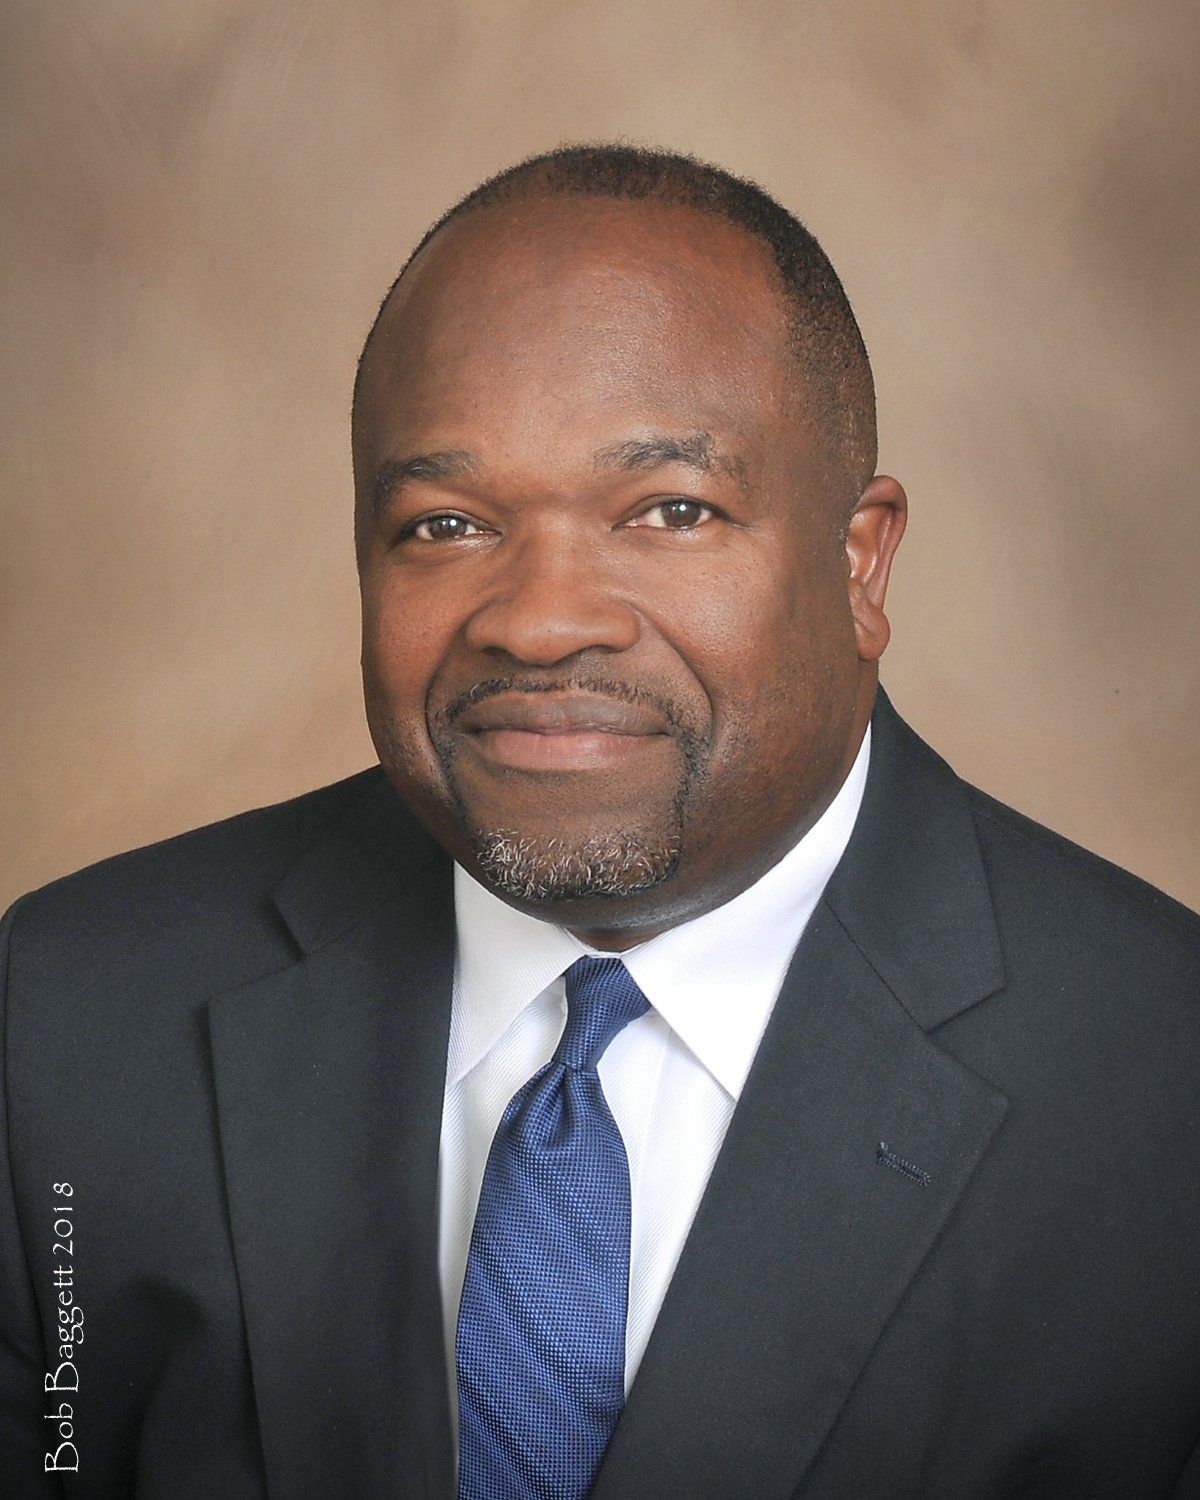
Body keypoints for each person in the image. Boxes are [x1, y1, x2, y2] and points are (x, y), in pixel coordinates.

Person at [1, 145, 1197, 1500]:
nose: (539, 619)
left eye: (671, 511)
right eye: (446, 524)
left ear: (862, 563)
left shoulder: (1166, 1083)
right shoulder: (70, 1022)